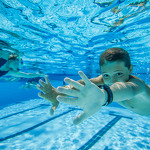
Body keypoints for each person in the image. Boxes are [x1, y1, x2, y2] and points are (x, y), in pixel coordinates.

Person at [37, 47, 150, 125]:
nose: (113, 81)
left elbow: (127, 89)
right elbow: (85, 84)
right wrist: (59, 93)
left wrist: (103, 96)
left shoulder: (137, 84)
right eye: (106, 75)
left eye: (119, 74)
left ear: (130, 69)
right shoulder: (105, 79)